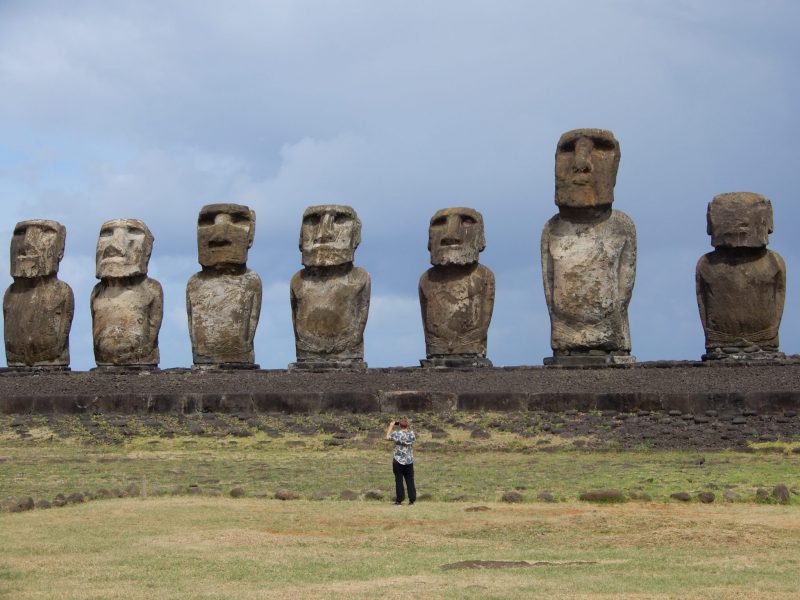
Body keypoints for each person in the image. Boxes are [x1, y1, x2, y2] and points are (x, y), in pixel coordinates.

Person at [386, 417, 416, 505]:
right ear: (407, 425)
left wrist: (391, 426)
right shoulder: (411, 434)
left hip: (398, 460)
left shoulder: (396, 434)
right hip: (409, 460)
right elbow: (412, 439)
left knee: (399, 480)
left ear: (399, 425)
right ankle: (412, 500)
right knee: (410, 480)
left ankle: (399, 500)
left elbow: (387, 437)